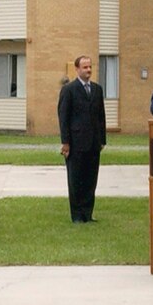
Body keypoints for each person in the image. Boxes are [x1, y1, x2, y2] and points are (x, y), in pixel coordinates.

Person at [58, 54, 108, 223]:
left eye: (90, 67)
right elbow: (63, 117)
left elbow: (101, 116)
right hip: (76, 143)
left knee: (90, 179)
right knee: (76, 180)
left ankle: (88, 213)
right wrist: (65, 142)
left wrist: (102, 139)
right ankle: (77, 215)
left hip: (94, 142)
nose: (88, 70)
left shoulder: (97, 89)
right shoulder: (69, 90)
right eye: (85, 67)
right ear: (77, 69)